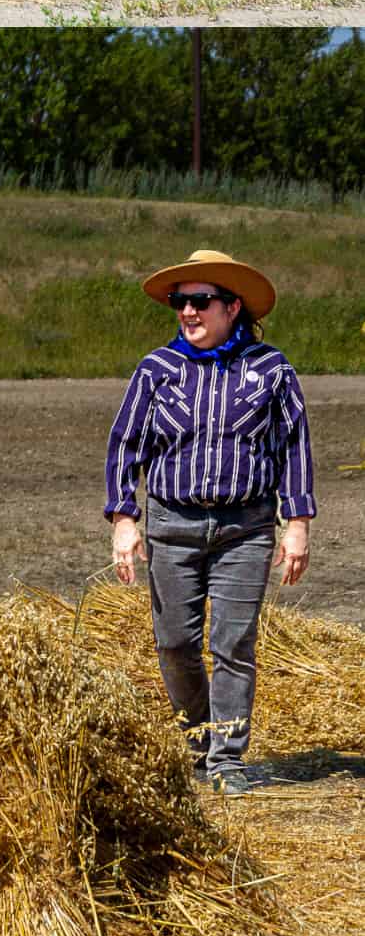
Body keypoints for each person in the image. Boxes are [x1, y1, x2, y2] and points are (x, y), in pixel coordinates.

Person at [105, 248, 315, 797]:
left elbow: (295, 447)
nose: (188, 312)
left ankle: (226, 758)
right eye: (181, 301)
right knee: (174, 642)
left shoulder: (273, 371)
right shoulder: (156, 370)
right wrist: (124, 519)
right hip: (171, 528)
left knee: (233, 643)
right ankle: (195, 742)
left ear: (233, 306)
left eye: (200, 301)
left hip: (245, 530)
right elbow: (125, 443)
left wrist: (298, 524)